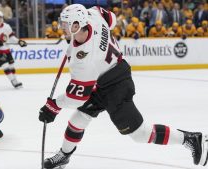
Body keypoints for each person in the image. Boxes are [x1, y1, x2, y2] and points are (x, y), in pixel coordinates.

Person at [38, 4, 208, 169]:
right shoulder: (94, 14)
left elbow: (76, 98)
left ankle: (191, 139)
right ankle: (65, 155)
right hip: (104, 78)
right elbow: (111, 19)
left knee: (140, 134)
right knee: (79, 118)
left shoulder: (82, 61)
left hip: (116, 85)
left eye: (66, 25)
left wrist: (54, 106)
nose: (62, 28)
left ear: (77, 25)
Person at [0, 11, 27, 89]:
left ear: (2, 18)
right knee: (5, 66)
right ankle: (14, 81)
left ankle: (15, 79)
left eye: (0, 17)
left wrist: (19, 41)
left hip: (6, 49)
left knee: (11, 66)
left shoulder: (7, 27)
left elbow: (11, 37)